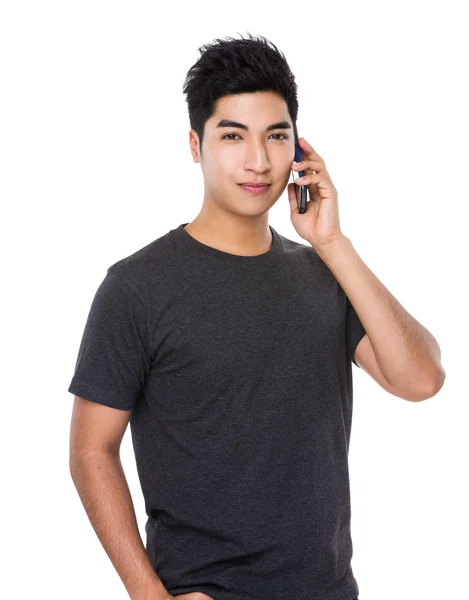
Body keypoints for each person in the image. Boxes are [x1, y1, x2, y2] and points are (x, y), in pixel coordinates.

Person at [68, 32, 445, 600]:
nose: (258, 160)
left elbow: (421, 380)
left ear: (299, 147)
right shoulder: (136, 287)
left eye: (276, 136)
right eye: (232, 136)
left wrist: (332, 242)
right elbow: (90, 450)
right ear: (195, 145)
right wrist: (149, 596)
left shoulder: (324, 276)